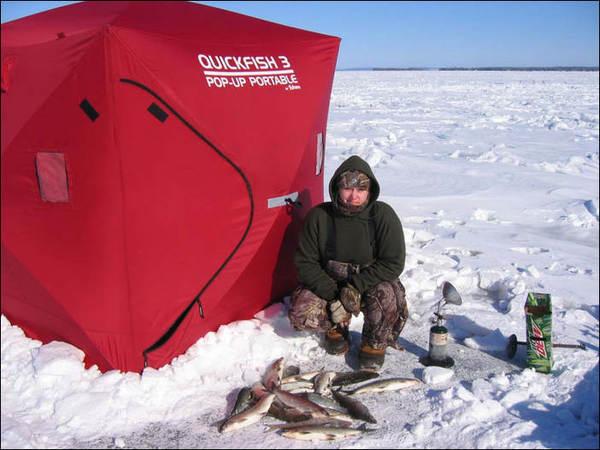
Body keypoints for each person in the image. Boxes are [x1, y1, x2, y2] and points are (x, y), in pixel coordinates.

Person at [288, 155, 408, 371]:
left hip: (370, 281)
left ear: (369, 191)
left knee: (389, 297)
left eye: (361, 190)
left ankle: (374, 343)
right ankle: (335, 327)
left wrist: (355, 287)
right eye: (348, 189)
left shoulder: (383, 215)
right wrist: (335, 297)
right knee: (302, 311)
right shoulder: (319, 216)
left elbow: (393, 262)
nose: (354, 196)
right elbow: (305, 262)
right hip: (331, 280)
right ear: (337, 188)